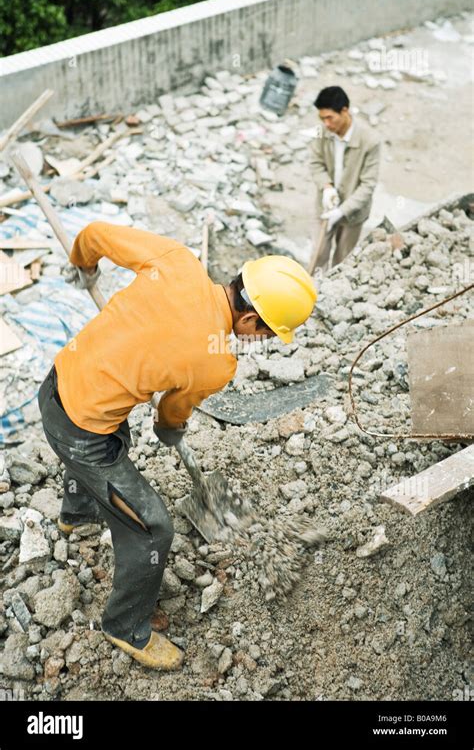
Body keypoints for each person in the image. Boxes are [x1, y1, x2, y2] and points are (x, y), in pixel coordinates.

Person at [37, 221, 317, 669]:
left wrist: (82, 265)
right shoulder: (216, 362)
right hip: (80, 431)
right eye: (267, 334)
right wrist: (170, 430)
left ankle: (77, 513)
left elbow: (92, 234)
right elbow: (171, 414)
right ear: (248, 319)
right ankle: (124, 626)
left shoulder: (178, 262)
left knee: (116, 438)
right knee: (154, 528)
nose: (262, 342)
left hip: (57, 382)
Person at [310, 85, 380, 270]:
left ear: (344, 111)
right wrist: (326, 187)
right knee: (317, 258)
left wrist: (342, 211)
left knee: (342, 262)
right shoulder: (323, 132)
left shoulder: (370, 141)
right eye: (322, 118)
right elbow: (316, 163)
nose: (326, 124)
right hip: (325, 206)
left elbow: (368, 185)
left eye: (329, 118)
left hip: (353, 214)